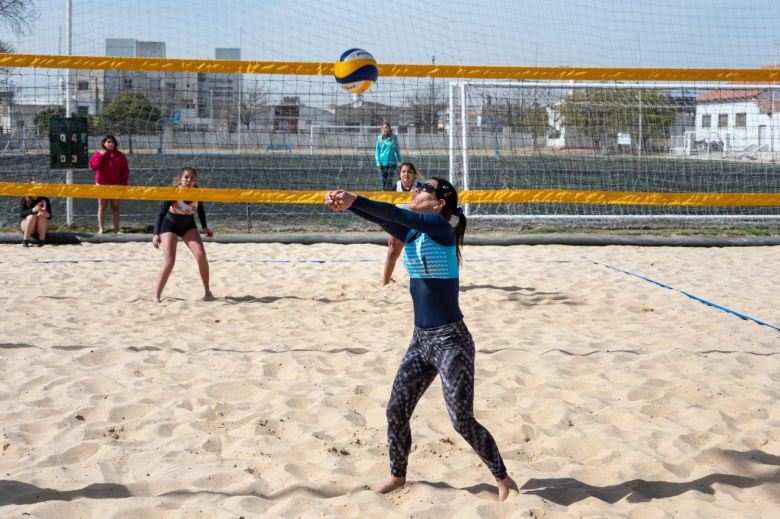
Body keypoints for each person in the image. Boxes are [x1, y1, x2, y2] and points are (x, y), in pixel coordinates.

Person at [325, 178, 514, 502]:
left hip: (451, 341)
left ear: (440, 203)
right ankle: (398, 475)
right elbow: (384, 217)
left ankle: (504, 478)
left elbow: (395, 213)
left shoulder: (440, 229)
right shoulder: (413, 233)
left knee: (461, 420)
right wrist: (349, 206)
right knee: (396, 410)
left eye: (423, 187)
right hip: (421, 340)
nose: (415, 190)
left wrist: (354, 198)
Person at [152, 167, 214, 303]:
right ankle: (156, 295)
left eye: (192, 178)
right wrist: (156, 234)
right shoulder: (173, 192)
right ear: (180, 179)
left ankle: (207, 293)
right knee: (169, 261)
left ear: (195, 180)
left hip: (188, 226)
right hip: (169, 226)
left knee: (201, 257)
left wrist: (205, 227)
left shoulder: (198, 193)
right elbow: (160, 213)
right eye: (186, 177)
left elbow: (201, 211)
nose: (189, 180)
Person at [382, 162, 422, 285]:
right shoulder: (395, 188)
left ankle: (422, 282)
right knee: (392, 252)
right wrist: (390, 231)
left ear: (414, 174)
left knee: (418, 256)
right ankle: (385, 282)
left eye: (409, 172)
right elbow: (388, 211)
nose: (406, 174)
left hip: (415, 225)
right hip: (398, 225)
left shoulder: (421, 188)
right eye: (403, 171)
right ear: (400, 174)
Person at [89, 135, 129, 234]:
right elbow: (94, 167)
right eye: (108, 142)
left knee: (115, 207)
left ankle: (117, 229)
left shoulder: (120, 155)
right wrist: (101, 156)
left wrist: (124, 183)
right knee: (102, 207)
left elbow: (124, 170)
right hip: (102, 184)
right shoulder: (98, 154)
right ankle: (101, 229)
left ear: (115, 144)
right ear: (104, 143)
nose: (110, 144)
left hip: (116, 184)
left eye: (112, 142)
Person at [375, 121, 402, 191]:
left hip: (392, 163)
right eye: (384, 128)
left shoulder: (394, 137)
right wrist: (378, 162)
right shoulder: (379, 138)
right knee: (383, 182)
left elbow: (397, 150)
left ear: (389, 129)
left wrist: (399, 161)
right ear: (382, 129)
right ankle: (383, 197)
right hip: (382, 163)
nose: (386, 129)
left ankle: (389, 198)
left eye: (387, 128)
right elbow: (377, 151)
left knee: (389, 182)